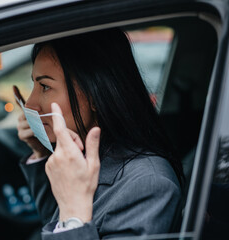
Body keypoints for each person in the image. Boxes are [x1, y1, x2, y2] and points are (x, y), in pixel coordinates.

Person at [16, 27, 184, 239]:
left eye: (45, 86)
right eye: (34, 84)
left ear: (95, 95)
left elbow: (67, 222)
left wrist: (73, 212)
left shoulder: (148, 185)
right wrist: (41, 152)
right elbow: (54, 221)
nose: (30, 104)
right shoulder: (95, 153)